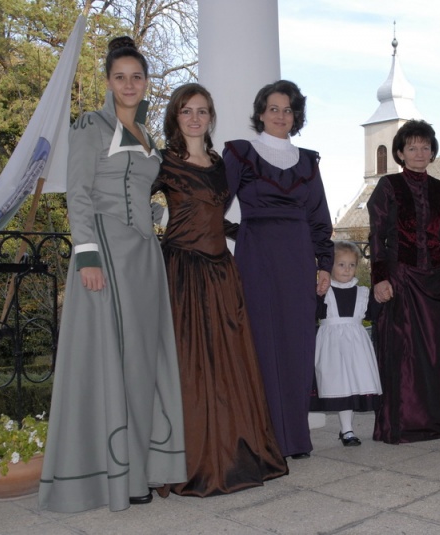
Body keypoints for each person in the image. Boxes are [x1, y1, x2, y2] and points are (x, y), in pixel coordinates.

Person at [39, 37, 186, 513]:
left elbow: (141, 195)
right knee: (114, 360)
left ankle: (143, 468)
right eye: (120, 77)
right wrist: (86, 255)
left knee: (143, 361)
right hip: (105, 253)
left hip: (144, 257)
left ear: (146, 83)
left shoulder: (147, 137)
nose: (129, 84)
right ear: (107, 81)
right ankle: (119, 476)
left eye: (136, 77)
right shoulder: (91, 125)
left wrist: (158, 217)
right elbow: (78, 192)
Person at [151, 83, 288, 497]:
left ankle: (233, 452)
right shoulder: (161, 162)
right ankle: (192, 461)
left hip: (221, 272)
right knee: (189, 368)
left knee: (231, 365)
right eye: (186, 111)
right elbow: (132, 203)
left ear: (211, 117)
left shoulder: (218, 163)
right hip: (182, 271)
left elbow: (214, 214)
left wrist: (255, 235)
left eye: (202, 111)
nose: (195, 118)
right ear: (175, 117)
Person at [222, 80, 333, 459]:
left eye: (288, 110)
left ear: (296, 116)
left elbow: (320, 219)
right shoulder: (240, 154)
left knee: (297, 344)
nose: (281, 116)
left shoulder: (308, 162)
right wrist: (242, 233)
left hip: (299, 261)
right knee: (260, 343)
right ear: (260, 113)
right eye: (273, 108)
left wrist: (324, 265)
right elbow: (213, 205)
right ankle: (264, 438)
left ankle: (295, 439)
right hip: (257, 261)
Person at [368, 119, 440, 444]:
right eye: (412, 147)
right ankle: (404, 424)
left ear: (432, 152)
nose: (419, 153)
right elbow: (377, 236)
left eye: (425, 147)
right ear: (400, 153)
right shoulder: (388, 186)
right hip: (402, 279)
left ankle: (437, 421)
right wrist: (380, 278)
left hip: (436, 281)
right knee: (404, 353)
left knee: (438, 352)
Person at [310, 241, 382, 447]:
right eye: (341, 264)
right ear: (330, 266)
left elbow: (372, 314)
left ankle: (348, 429)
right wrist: (318, 296)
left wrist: (381, 300)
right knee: (339, 385)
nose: (347, 269)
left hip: (356, 347)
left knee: (352, 386)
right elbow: (313, 314)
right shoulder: (323, 292)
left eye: (351, 265)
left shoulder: (363, 292)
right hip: (332, 347)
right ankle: (346, 429)